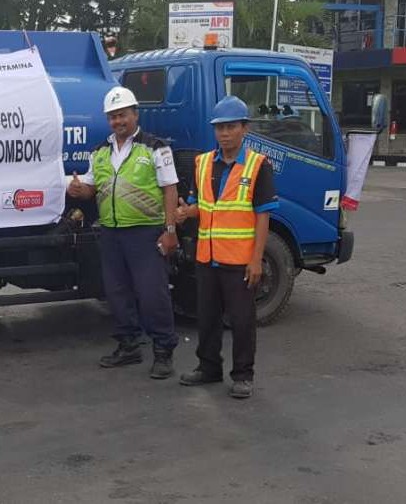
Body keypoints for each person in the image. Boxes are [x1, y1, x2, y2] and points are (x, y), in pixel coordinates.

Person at [67, 86, 180, 379]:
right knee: (117, 293)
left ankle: (163, 351)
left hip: (145, 233)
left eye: (122, 115)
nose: (118, 121)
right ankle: (128, 345)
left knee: (152, 294)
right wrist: (80, 190)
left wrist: (170, 230)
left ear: (135, 114)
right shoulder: (100, 152)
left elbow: (170, 189)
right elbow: (92, 188)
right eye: (113, 117)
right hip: (112, 233)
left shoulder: (155, 147)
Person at [175, 95, 279, 399]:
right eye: (219, 127)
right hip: (207, 258)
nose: (224, 133)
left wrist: (257, 260)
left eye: (231, 126)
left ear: (244, 129)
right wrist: (185, 212)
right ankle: (208, 368)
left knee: (242, 321)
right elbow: (201, 205)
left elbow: (263, 217)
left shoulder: (258, 166)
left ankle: (243, 375)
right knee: (206, 318)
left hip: (240, 260)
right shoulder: (203, 163)